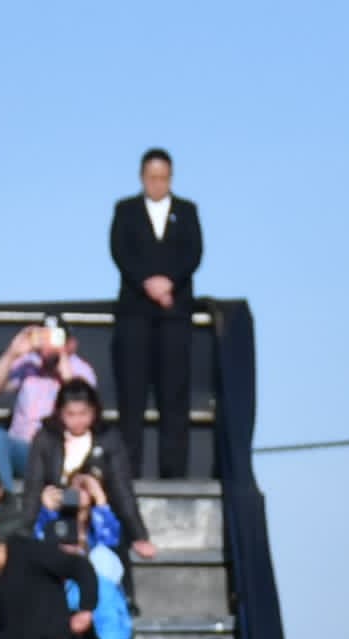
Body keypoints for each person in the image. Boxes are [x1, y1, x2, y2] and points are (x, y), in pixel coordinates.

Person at [109, 148, 206, 481]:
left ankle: (173, 473)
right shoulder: (126, 210)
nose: (157, 183)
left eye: (163, 178)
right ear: (141, 177)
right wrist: (146, 283)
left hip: (175, 315)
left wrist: (169, 284)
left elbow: (194, 253)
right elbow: (119, 250)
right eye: (152, 177)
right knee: (132, 397)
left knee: (174, 396)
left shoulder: (187, 211)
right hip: (135, 315)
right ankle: (129, 472)